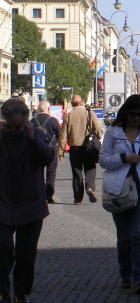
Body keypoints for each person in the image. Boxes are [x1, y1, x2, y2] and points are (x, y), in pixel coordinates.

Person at [99, 94, 140, 295]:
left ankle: (139, 279)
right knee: (124, 238)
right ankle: (125, 274)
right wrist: (124, 157)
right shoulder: (113, 132)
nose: (136, 118)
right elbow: (103, 161)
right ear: (125, 113)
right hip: (119, 190)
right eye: (133, 114)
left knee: (139, 236)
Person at [0, 99, 56, 303]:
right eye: (10, 126)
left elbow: (48, 157)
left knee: (26, 255)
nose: (14, 130)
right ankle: (3, 291)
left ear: (26, 122)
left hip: (31, 206)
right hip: (3, 205)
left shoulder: (35, 135)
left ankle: (21, 293)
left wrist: (33, 139)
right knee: (2, 250)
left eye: (18, 126)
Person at [59, 94, 103, 204]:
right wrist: (98, 136)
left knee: (77, 172)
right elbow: (98, 128)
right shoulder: (89, 113)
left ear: (72, 104)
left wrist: (60, 151)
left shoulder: (68, 116)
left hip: (74, 148)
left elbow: (63, 135)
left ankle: (77, 198)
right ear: (82, 103)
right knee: (90, 168)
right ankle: (90, 187)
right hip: (88, 146)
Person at [31, 101, 60, 203]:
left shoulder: (33, 121)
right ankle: (49, 195)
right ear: (48, 109)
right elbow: (59, 134)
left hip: (37, 150)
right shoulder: (53, 121)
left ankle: (40, 194)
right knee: (51, 173)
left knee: (39, 173)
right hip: (51, 149)